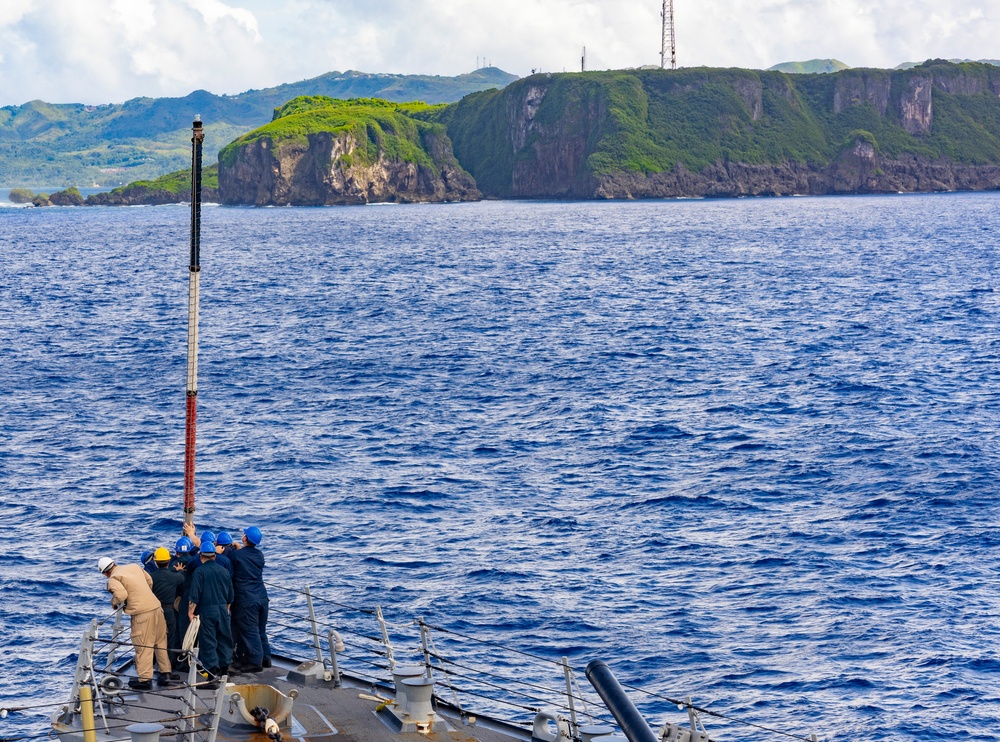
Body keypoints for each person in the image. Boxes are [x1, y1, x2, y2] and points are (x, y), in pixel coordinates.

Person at [98, 556, 173, 690]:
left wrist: (114, 603)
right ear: (114, 563)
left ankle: (144, 680)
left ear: (104, 573)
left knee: (143, 645)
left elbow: (120, 595)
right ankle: (165, 673)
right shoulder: (134, 566)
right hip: (157, 608)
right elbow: (149, 580)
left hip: (142, 614)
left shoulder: (113, 579)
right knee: (160, 641)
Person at [187, 541, 234, 687]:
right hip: (222, 610)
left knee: (208, 643)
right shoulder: (224, 571)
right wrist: (226, 609)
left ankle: (212, 677)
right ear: (214, 555)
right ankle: (225, 672)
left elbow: (194, 595)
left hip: (207, 610)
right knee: (225, 640)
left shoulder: (199, 572)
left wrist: (190, 612)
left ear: (201, 556)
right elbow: (230, 595)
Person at [229, 526, 269, 672]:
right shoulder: (260, 555)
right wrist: (240, 548)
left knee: (250, 630)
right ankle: (266, 658)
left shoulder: (236, 556)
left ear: (245, 538)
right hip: (262, 597)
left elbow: (233, 563)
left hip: (247, 598)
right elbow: (246, 557)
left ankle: (254, 662)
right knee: (260, 629)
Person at [149, 546, 185, 672]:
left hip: (154, 612)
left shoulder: (151, 577)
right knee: (169, 640)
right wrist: (179, 570)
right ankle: (167, 668)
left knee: (153, 638)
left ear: (155, 562)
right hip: (169, 612)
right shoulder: (173, 577)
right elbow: (182, 578)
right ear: (169, 561)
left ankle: (153, 663)